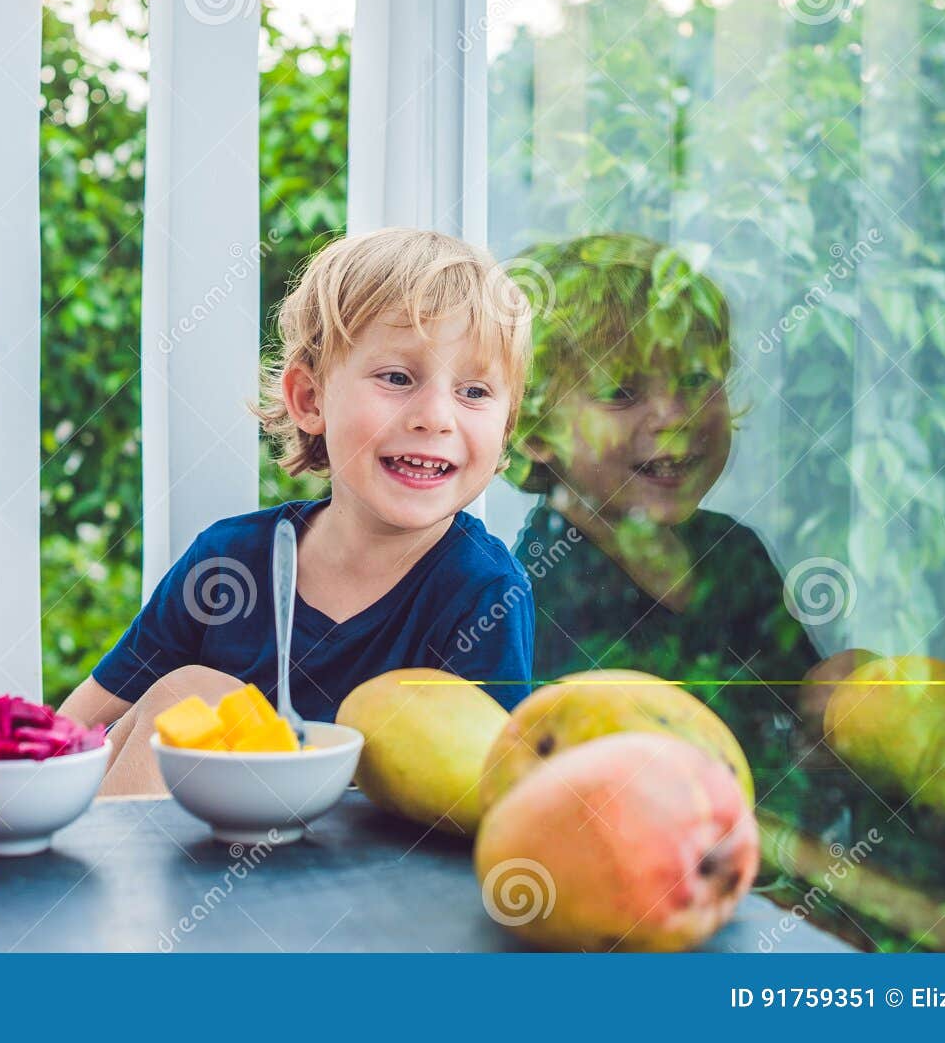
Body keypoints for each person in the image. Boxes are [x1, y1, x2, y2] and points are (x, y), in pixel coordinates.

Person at [60, 227, 536, 794]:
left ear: (505, 428)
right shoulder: (227, 562)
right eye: (397, 378)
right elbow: (70, 732)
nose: (435, 417)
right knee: (186, 692)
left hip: (361, 872)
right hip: (186, 859)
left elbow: (486, 791)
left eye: (476, 392)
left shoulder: (483, 592)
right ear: (310, 400)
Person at [504, 233, 824, 768]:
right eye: (621, 392)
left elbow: (792, 719)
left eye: (697, 379)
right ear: (534, 429)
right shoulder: (537, 595)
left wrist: (834, 703)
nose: (674, 416)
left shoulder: (734, 553)